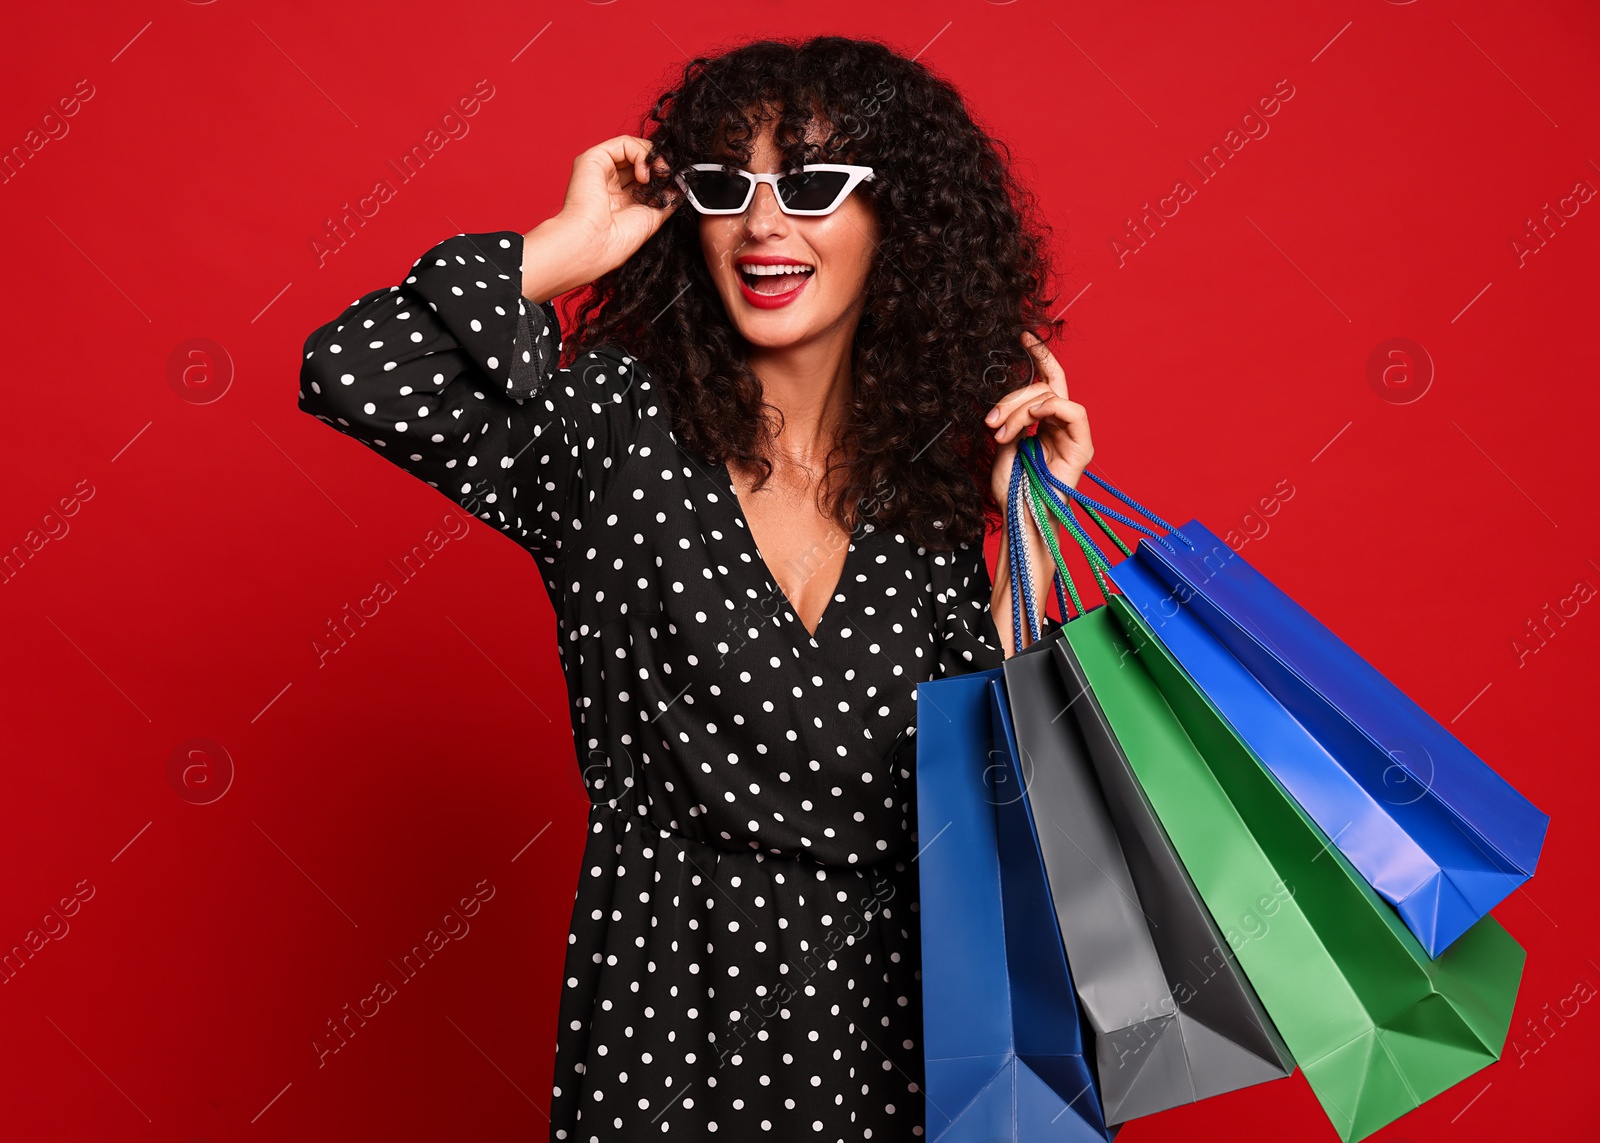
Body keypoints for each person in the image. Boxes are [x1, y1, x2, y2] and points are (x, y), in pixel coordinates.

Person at [297, 34, 1091, 1141]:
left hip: (910, 1021)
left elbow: (992, 781)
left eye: (811, 185)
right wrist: (568, 246)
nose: (765, 223)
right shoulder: (619, 431)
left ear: (896, 220)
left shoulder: (931, 487)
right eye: (728, 186)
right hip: (671, 1011)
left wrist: (1029, 521)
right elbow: (353, 368)